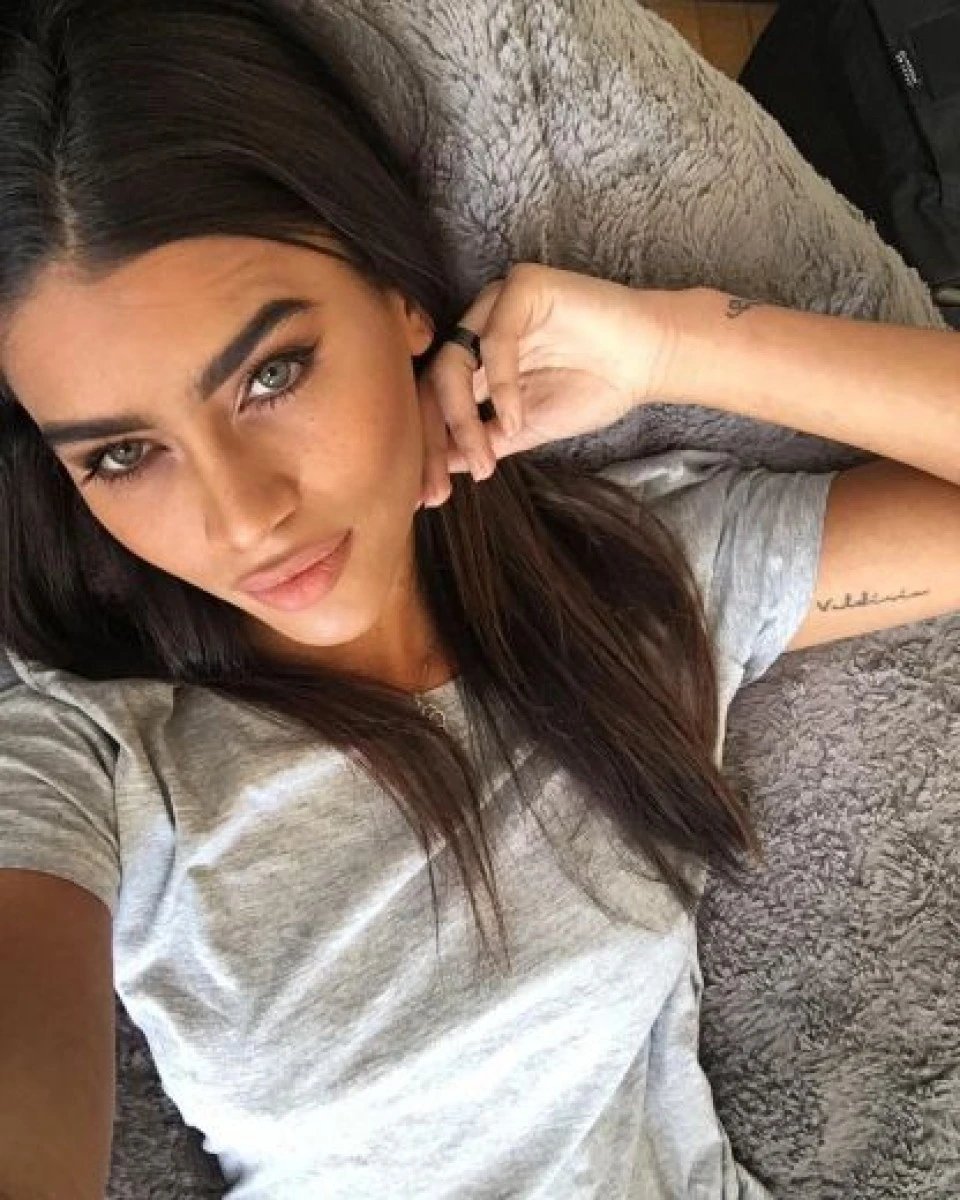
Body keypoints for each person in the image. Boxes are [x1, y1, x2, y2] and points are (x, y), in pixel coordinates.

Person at [0, 2, 958, 1198]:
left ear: (401, 298)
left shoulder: (622, 600)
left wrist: (668, 346)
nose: (242, 517)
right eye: (121, 455)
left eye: (272, 374)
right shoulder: (86, 762)